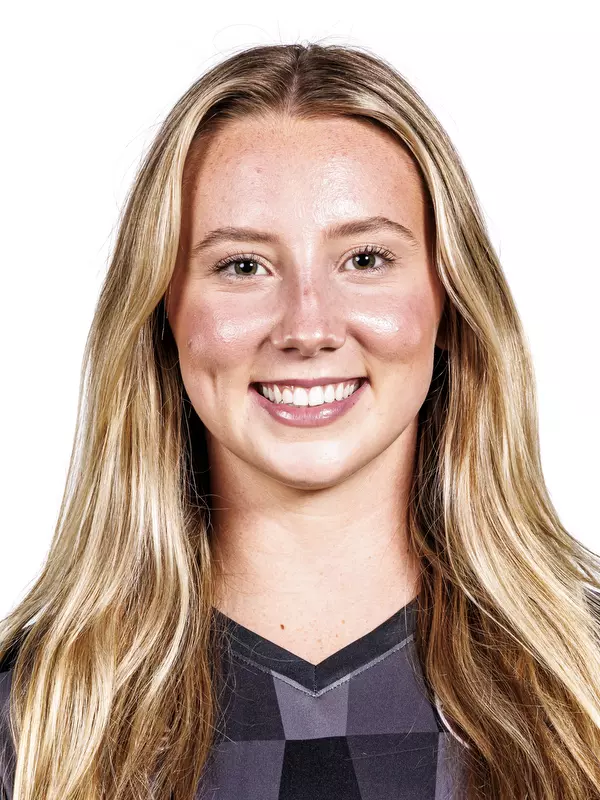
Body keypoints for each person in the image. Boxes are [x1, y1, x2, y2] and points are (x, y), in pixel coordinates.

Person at [1, 42, 600, 800]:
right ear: (162, 313)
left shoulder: (585, 684)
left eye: (366, 259)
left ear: (449, 299)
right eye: (243, 266)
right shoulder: (36, 720)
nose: (307, 327)